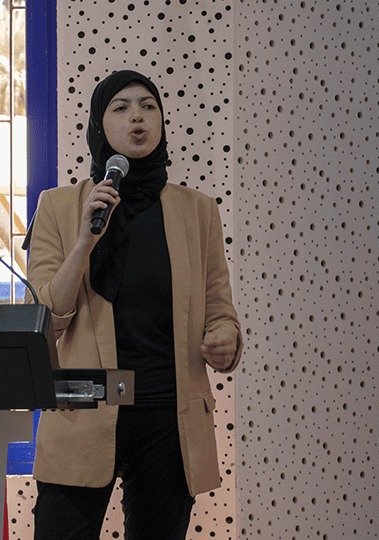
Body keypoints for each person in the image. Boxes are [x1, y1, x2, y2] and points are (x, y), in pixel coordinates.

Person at [27, 69, 243, 539]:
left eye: (148, 106)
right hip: (83, 410)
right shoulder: (59, 207)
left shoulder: (198, 210)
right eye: (121, 108)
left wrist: (225, 338)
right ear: (99, 125)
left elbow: (219, 309)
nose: (137, 118)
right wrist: (84, 242)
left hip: (169, 415)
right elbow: (45, 320)